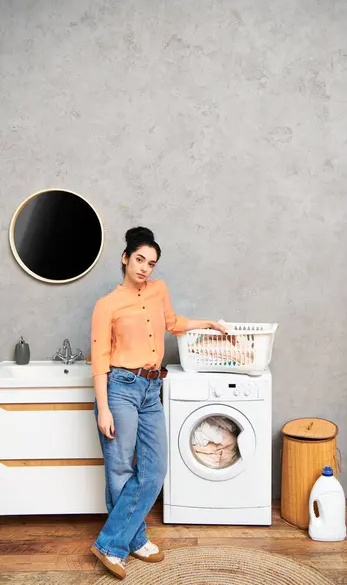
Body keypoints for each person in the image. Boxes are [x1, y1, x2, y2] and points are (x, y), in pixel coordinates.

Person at [89, 226, 227, 580]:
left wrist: (209, 323)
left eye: (151, 263)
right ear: (125, 258)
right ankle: (131, 540)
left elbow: (174, 323)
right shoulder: (107, 304)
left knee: (153, 470)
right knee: (120, 469)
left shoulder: (159, 290)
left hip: (152, 390)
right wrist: (103, 407)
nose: (145, 268)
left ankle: (113, 542)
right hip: (120, 387)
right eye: (139, 259)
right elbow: (100, 357)